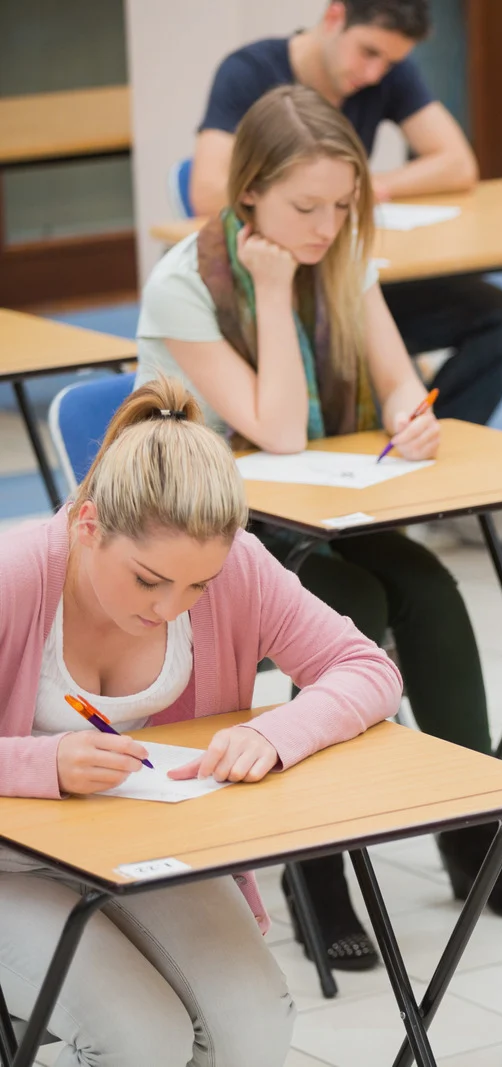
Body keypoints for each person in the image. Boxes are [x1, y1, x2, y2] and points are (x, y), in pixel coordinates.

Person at [137, 85, 502, 974]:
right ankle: (315, 870)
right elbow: (277, 430)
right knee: (355, 600)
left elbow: (401, 377)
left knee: (435, 594)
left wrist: (413, 413)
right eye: (305, 208)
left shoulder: (342, 255)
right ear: (249, 195)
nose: (327, 228)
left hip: (324, 511)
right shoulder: (183, 283)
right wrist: (279, 292)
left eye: (342, 205)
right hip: (214, 539)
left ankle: (474, 836)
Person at [0, 376, 402, 1064]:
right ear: (88, 524)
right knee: (142, 1040)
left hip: (140, 847)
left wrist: (273, 733)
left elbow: (366, 668)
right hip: (11, 862)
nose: (169, 607)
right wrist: (45, 763)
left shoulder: (237, 564)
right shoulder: (16, 575)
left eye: (197, 586)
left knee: (255, 1026)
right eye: (149, 579)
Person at [190, 0, 502, 428]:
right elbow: (205, 190)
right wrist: (296, 200)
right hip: (273, 278)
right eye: (368, 52)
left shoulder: (386, 71)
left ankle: (420, 437)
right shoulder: (249, 72)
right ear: (335, 16)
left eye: (389, 63)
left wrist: (364, 190)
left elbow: (458, 163)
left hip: (344, 268)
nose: (374, 73)